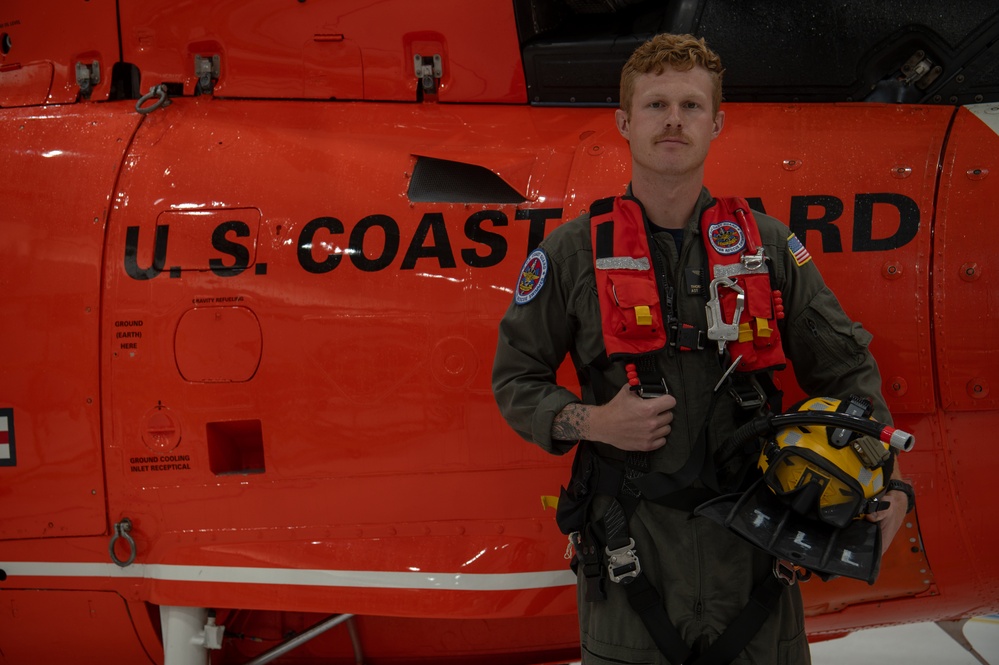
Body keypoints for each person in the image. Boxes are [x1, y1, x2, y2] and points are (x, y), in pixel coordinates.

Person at [492, 33, 910, 665]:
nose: (673, 121)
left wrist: (893, 483)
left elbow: (849, 372)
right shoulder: (570, 254)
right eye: (656, 105)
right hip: (631, 568)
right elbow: (515, 379)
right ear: (624, 122)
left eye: (690, 106)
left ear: (716, 123)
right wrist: (596, 422)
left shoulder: (767, 247)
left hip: (755, 567)